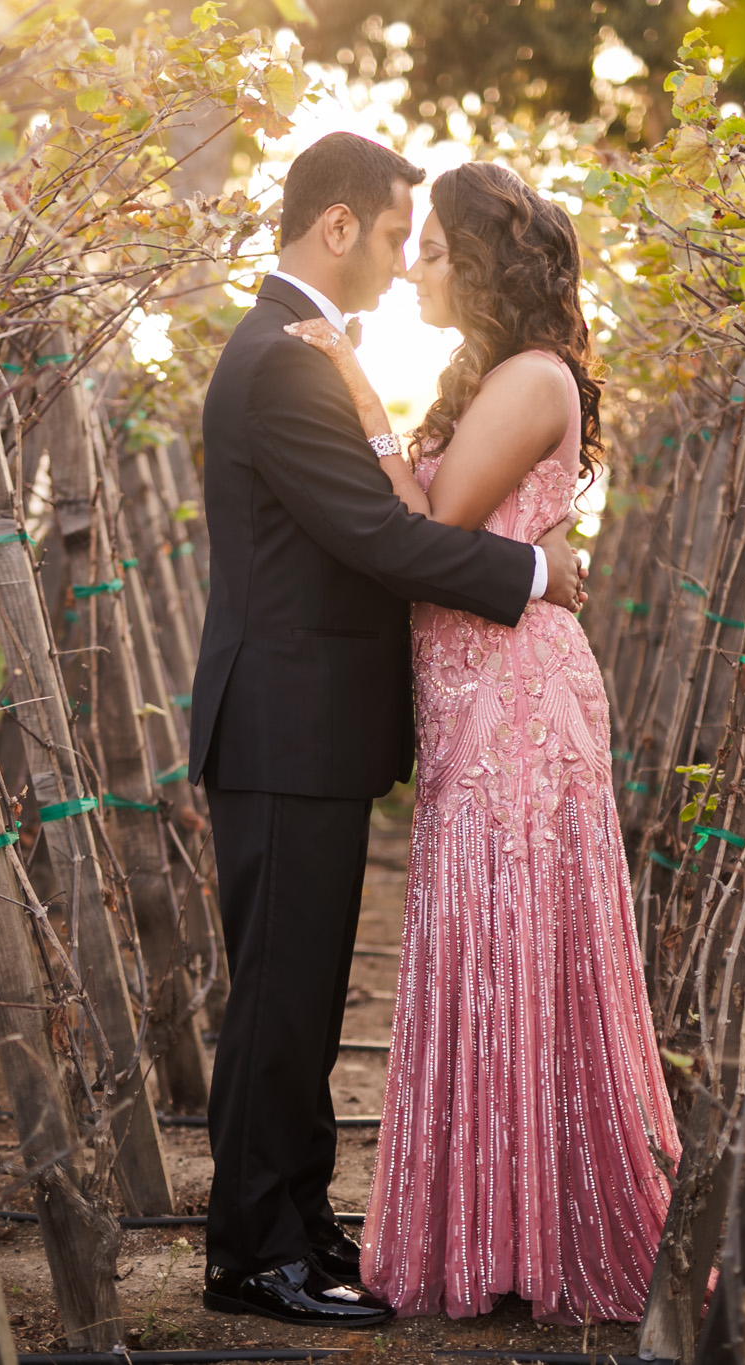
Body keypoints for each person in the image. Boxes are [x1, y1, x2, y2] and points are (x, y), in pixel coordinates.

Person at [187, 132, 587, 1329]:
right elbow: (384, 539)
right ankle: (254, 1255)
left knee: (302, 998)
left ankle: (299, 1224)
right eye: (398, 235)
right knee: (274, 1001)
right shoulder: (280, 362)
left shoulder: (303, 357)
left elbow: (384, 523)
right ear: (339, 227)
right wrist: (535, 573)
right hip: (280, 725)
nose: (407, 265)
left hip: (306, 727)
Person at [280, 159, 680, 1326]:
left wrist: (356, 392)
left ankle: (537, 1230)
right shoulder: (501, 374)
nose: (415, 270)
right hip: (471, 697)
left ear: (488, 263)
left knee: (513, 942)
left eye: (438, 252)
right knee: (480, 942)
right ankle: (494, 1227)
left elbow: (431, 523)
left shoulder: (529, 377)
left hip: (514, 701)